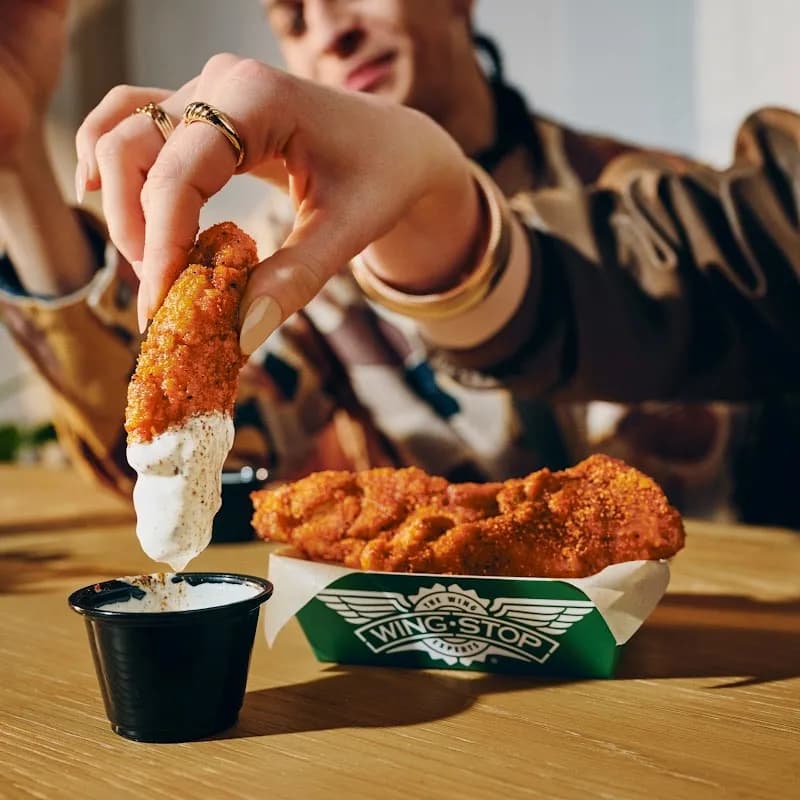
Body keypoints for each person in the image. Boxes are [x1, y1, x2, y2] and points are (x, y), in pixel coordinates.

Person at [1, 0, 798, 524]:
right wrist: (16, 163)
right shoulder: (291, 256)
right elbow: (176, 458)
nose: (331, 28)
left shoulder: (655, 197)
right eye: (293, 17)